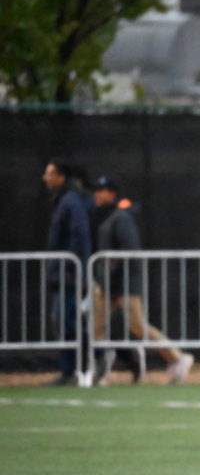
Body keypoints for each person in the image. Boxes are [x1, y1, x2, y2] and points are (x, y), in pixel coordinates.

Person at [90, 175, 193, 385]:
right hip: (107, 283)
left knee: (138, 326)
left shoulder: (122, 217)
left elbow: (129, 251)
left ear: (112, 193)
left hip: (124, 283)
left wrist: (112, 273)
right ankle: (101, 364)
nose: (97, 194)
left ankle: (178, 358)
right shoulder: (108, 216)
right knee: (95, 326)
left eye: (101, 190)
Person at [41, 158, 92, 386]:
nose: (45, 178)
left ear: (61, 176)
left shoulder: (71, 201)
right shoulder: (64, 200)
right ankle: (73, 367)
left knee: (67, 321)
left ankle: (87, 362)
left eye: (49, 173)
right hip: (62, 272)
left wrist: (72, 266)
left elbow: (79, 237)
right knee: (63, 320)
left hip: (68, 274)